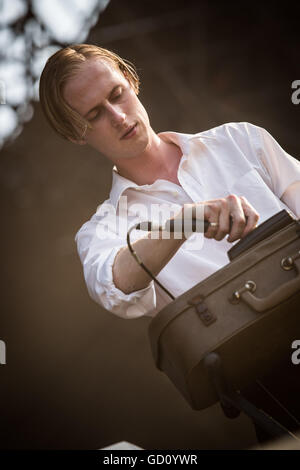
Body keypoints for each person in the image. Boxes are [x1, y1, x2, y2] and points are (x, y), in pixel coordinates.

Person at [39, 44, 300, 445]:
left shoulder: (239, 140)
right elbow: (115, 286)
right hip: (277, 393)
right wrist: (187, 220)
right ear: (77, 134)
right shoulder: (101, 231)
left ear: (132, 80)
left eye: (116, 94)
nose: (119, 117)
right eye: (94, 115)